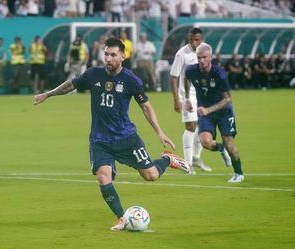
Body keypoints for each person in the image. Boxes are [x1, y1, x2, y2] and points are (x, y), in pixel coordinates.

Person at [33, 37, 190, 231]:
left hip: (126, 138)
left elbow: (146, 108)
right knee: (103, 176)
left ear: (123, 56)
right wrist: (48, 94)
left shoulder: (131, 80)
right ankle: (121, 218)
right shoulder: (93, 75)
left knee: (150, 175)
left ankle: (167, 160)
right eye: (106, 54)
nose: (108, 58)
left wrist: (160, 131)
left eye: (113, 55)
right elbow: (70, 85)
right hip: (99, 140)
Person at [183, 43, 244, 183]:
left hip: (224, 113)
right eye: (199, 58)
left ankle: (238, 173)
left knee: (230, 144)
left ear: (210, 57)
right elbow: (186, 80)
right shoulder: (191, 71)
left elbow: (228, 98)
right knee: (205, 142)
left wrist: (208, 110)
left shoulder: (219, 73)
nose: (202, 61)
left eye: (204, 57)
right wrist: (187, 99)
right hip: (206, 114)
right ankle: (220, 148)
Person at [169, 27, 212, 175]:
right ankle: (187, 164)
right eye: (191, 40)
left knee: (203, 126)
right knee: (191, 127)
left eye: (197, 40)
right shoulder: (182, 54)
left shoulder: (205, 51)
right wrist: (176, 99)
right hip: (187, 97)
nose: (194, 42)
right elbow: (173, 77)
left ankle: (196, 158)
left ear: (202, 39)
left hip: (203, 95)